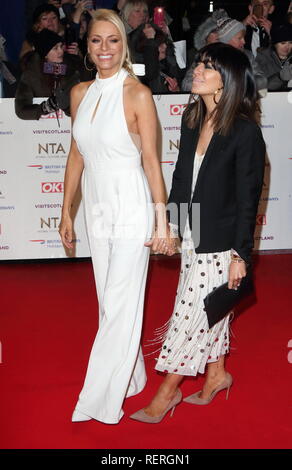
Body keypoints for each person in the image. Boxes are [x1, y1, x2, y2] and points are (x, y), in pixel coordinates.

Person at [130, 42, 266, 423]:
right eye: (199, 64)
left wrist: (241, 256)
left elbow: (247, 199)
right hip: (194, 231)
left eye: (207, 67)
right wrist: (170, 226)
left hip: (221, 242)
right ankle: (217, 375)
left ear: (228, 80)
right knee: (210, 312)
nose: (197, 71)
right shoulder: (192, 118)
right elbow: (180, 178)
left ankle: (166, 393)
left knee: (191, 316)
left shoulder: (245, 132)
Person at [58, 8, 173, 424]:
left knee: (121, 303)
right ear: (87, 48)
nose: (104, 48)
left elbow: (151, 162)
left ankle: (98, 400)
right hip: (96, 204)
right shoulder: (79, 93)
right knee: (110, 301)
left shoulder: (137, 93)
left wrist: (162, 221)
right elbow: (76, 155)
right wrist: (67, 210)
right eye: (95, 40)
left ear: (124, 45)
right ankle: (133, 377)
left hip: (130, 204)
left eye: (112, 40)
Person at [15, 29, 87, 120]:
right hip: (42, 130)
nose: (60, 51)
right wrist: (45, 108)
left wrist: (68, 106)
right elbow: (21, 110)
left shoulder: (74, 67)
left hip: (71, 126)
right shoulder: (32, 74)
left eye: (61, 46)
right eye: (55, 48)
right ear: (45, 54)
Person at [255, 23, 292, 90]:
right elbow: (260, 87)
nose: (287, 47)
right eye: (283, 43)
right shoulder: (263, 58)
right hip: (270, 99)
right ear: (274, 44)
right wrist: (279, 77)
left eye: (290, 43)